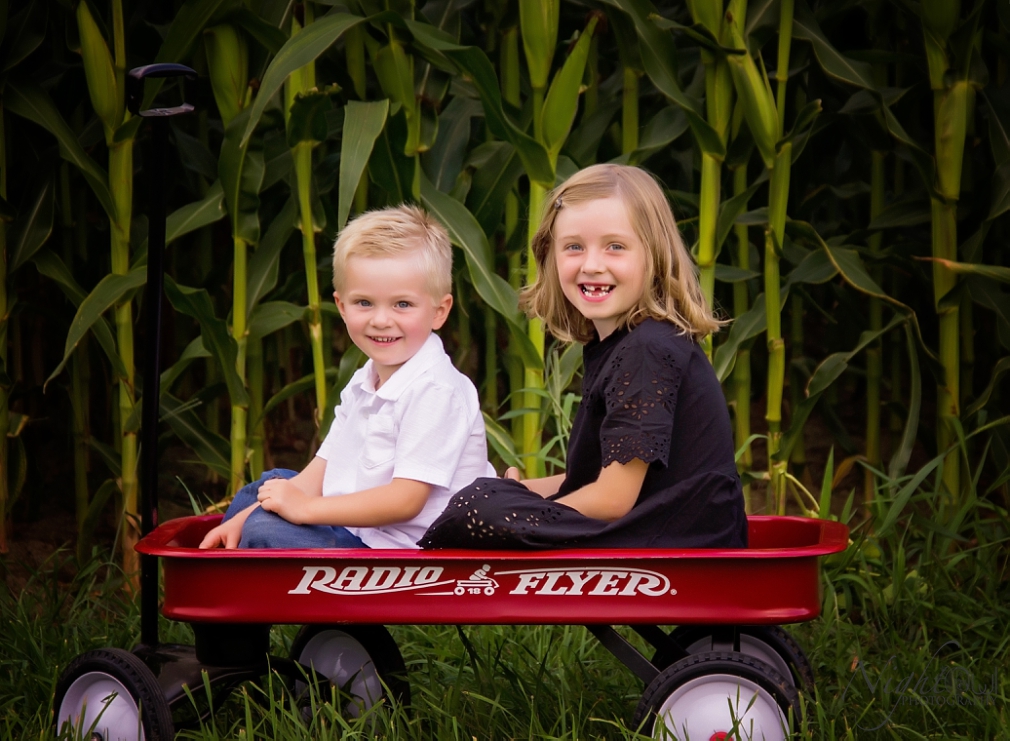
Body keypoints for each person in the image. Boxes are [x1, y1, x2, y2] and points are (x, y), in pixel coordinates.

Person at [419, 164, 748, 550]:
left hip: (677, 542)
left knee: (482, 510)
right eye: (574, 246)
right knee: (483, 494)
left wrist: (517, 512)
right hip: (654, 525)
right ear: (551, 255)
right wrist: (518, 490)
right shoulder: (618, 344)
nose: (592, 264)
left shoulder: (648, 350)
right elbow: (589, 478)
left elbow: (611, 500)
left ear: (654, 255)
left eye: (615, 246)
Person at [200, 204, 492, 550]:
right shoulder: (364, 380)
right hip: (361, 530)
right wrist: (244, 517)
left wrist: (304, 508)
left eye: (402, 305)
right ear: (341, 306)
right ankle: (242, 557)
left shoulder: (436, 390)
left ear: (439, 311)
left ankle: (265, 577)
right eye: (364, 303)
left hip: (406, 550)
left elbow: (406, 501)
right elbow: (320, 470)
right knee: (266, 487)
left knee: (270, 530)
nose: (381, 320)